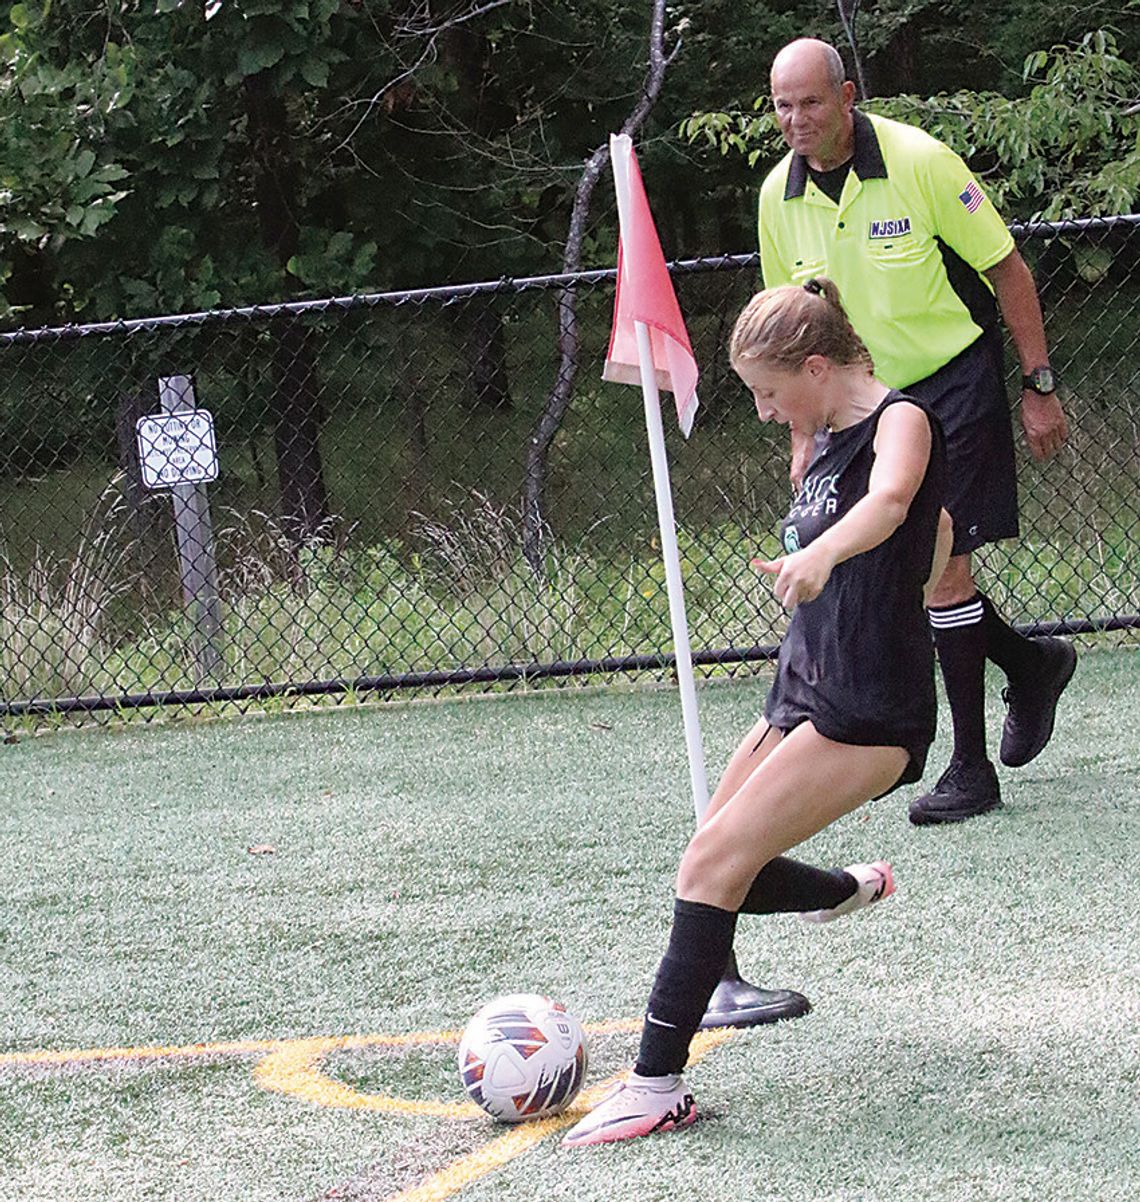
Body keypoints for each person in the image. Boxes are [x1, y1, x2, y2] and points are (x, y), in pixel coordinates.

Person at [562, 278, 952, 1147]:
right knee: (718, 855)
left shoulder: (902, 421)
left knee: (713, 862)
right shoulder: (814, 434)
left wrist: (819, 554)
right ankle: (850, 889)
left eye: (771, 394)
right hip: (802, 684)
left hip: (870, 702)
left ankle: (657, 1084)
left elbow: (892, 505)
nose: (767, 413)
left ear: (817, 366)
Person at [758, 38, 1076, 825]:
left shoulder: (920, 161)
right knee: (913, 574)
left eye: (810, 102)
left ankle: (970, 770)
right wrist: (803, 435)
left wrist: (1039, 384)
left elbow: (1007, 268)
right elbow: (790, 334)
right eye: (781, 106)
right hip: (859, 403)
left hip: (951, 381)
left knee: (944, 573)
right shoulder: (776, 196)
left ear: (847, 96)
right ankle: (1033, 664)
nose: (796, 120)